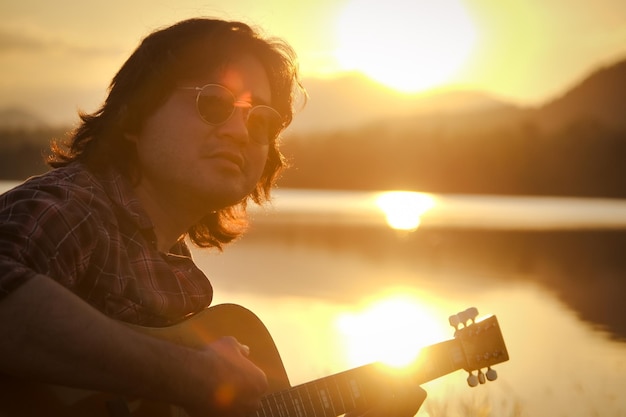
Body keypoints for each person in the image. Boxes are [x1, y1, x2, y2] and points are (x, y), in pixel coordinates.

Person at [0, 17, 426, 416]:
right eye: (214, 102)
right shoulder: (70, 206)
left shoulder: (180, 284)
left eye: (261, 121)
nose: (241, 132)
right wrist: (182, 372)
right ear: (133, 117)